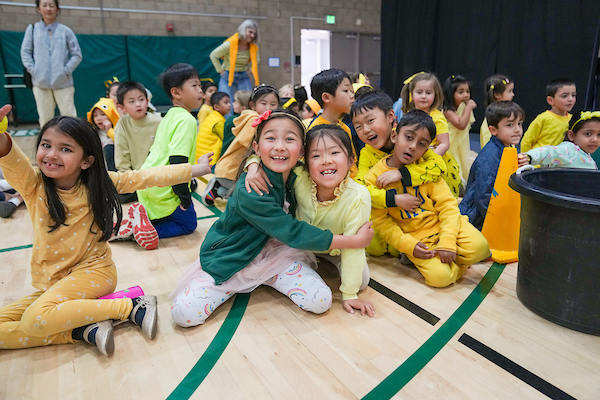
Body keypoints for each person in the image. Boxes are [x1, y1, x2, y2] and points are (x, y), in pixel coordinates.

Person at [0, 105, 212, 355]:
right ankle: (82, 330)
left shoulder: (100, 183)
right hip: (55, 282)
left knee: (35, 319)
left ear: (87, 161)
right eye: (46, 145)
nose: (51, 154)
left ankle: (129, 307)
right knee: (24, 321)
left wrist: (198, 169)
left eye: (65, 149)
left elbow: (150, 176)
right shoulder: (33, 183)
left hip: (95, 274)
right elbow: (9, 155)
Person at [170, 110, 374, 327]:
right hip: (233, 257)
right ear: (257, 147)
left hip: (277, 254)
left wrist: (253, 162)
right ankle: (235, 283)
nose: (280, 146)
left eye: (289, 139)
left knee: (321, 301)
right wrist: (352, 241)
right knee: (183, 314)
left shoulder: (298, 173)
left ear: (301, 151)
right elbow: (292, 231)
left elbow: (290, 234)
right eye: (271, 138)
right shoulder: (250, 188)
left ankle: (270, 277)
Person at [246, 124, 375, 316]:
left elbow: (354, 246)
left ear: (351, 161)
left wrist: (350, 294)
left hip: (338, 247)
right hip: (301, 246)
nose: (325, 161)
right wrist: (253, 164)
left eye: (334, 153)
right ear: (305, 163)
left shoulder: (359, 196)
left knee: (361, 281)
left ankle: (328, 266)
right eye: (315, 156)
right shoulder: (299, 178)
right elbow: (273, 160)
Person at [365, 110, 490, 288]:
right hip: (418, 239)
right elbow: (382, 222)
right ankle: (456, 264)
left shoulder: (427, 169)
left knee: (481, 248)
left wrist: (447, 241)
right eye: (408, 137)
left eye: (421, 144)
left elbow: (448, 206)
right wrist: (409, 246)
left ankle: (448, 256)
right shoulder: (374, 177)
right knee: (440, 279)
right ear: (394, 135)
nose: (413, 146)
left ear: (427, 149)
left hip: (444, 226)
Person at [350, 91, 446, 257]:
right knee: (374, 247)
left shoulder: (410, 136)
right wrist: (393, 200)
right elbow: (361, 188)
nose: (366, 130)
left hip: (421, 207)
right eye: (358, 126)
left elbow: (439, 166)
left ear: (390, 116)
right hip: (394, 211)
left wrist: (402, 173)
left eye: (371, 120)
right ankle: (403, 246)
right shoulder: (367, 153)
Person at [130, 63, 207, 249]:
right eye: (195, 85)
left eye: (200, 86)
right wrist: (185, 198)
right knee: (189, 224)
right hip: (163, 187)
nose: (201, 90)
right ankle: (141, 231)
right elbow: (177, 163)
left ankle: (137, 225)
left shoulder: (170, 115)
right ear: (176, 93)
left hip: (147, 183)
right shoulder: (187, 120)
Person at [204, 84, 279, 205]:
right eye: (263, 103)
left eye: (273, 104)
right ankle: (218, 189)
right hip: (231, 170)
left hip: (233, 169)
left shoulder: (258, 119)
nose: (268, 107)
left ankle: (218, 188)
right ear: (252, 105)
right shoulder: (254, 121)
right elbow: (251, 146)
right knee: (242, 199)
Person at [460, 102, 525, 230]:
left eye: (520, 124)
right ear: (493, 130)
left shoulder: (507, 148)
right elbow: (483, 195)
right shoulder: (491, 155)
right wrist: (497, 222)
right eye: (510, 125)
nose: (517, 129)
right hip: (476, 219)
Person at [20, 0, 82, 127]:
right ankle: (47, 145)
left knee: (69, 118)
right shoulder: (32, 29)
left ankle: (73, 144)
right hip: (40, 83)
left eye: (51, 5)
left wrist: (65, 71)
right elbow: (25, 52)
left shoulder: (65, 31)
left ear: (57, 9)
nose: (48, 8)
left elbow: (77, 54)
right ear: (38, 8)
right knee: (45, 120)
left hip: (63, 84)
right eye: (44, 5)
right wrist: (34, 70)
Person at [401, 72, 462, 197]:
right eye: (419, 92)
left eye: (428, 93)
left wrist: (430, 160)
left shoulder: (437, 118)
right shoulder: (409, 114)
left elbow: (444, 143)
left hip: (431, 159)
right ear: (412, 94)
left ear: (436, 95)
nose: (423, 96)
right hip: (413, 157)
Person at [113, 80, 162, 204]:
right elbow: (122, 159)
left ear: (147, 101)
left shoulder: (159, 122)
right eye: (131, 102)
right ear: (121, 107)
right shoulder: (123, 124)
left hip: (159, 177)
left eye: (141, 99)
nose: (138, 104)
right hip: (136, 179)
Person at [308, 69, 357, 177]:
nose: (352, 96)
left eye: (352, 91)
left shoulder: (345, 128)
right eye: (346, 91)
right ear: (326, 97)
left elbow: (352, 164)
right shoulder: (316, 129)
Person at [518, 111, 600, 170]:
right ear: (571, 135)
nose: (595, 139)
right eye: (588, 134)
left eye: (599, 135)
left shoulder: (586, 155)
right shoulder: (569, 150)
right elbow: (549, 151)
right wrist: (529, 157)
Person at [210, 19, 260, 105]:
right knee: (226, 103)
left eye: (254, 34)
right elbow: (213, 55)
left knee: (247, 102)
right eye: (250, 32)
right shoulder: (229, 44)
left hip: (243, 76)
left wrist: (250, 71)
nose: (252, 35)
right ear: (243, 31)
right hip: (228, 76)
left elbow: (257, 60)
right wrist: (221, 70)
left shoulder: (253, 47)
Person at [520, 79, 576, 152]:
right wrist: (525, 160)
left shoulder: (573, 120)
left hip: (560, 161)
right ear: (550, 100)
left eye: (573, 95)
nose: (570, 99)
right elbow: (527, 141)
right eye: (564, 96)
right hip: (539, 161)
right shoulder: (543, 118)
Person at [443, 75, 477, 182]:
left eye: (467, 91)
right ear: (450, 94)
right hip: (449, 146)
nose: (466, 95)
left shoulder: (461, 108)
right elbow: (461, 124)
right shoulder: (447, 110)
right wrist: (469, 107)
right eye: (461, 92)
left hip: (458, 146)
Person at [195, 92, 231, 168]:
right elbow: (227, 140)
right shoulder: (218, 122)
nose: (229, 105)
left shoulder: (213, 117)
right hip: (209, 160)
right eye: (226, 102)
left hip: (200, 157)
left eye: (229, 102)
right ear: (216, 107)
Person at [480, 75, 514, 148]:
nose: (513, 94)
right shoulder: (490, 123)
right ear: (497, 94)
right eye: (509, 91)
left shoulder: (505, 115)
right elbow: (488, 148)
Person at [87, 98, 120, 172]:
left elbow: (121, 142)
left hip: (116, 167)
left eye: (103, 114)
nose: (99, 118)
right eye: (95, 115)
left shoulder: (119, 128)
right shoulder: (94, 132)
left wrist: (109, 130)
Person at [221, 90, 251, 157]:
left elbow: (226, 143)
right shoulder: (253, 119)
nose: (233, 104)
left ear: (244, 107)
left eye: (236, 102)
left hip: (229, 156)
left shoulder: (232, 120)